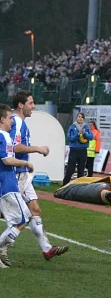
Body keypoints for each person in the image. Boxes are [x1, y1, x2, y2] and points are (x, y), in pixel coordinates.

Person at [9, 91, 69, 262]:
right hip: (16, 173)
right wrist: (37, 148)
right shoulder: (18, 122)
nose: (33, 107)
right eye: (30, 103)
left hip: (23, 174)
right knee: (20, 215)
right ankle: (3, 247)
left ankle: (47, 249)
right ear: (21, 105)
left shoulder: (16, 121)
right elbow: (15, 147)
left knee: (34, 210)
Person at [0, 104, 33, 268]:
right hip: (7, 183)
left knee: (26, 214)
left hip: (5, 183)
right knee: (21, 220)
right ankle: (1, 249)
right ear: (2, 120)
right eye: (8, 118)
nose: (11, 122)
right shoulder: (4, 136)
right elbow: (7, 160)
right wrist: (25, 162)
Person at [63, 112, 93, 185]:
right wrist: (77, 134)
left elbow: (91, 137)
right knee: (70, 169)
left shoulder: (86, 127)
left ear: (83, 119)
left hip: (83, 151)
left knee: (81, 170)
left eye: (82, 117)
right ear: (76, 118)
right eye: (79, 116)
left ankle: (78, 187)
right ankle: (64, 185)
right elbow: (70, 138)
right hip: (74, 150)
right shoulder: (72, 127)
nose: (80, 118)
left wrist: (85, 134)